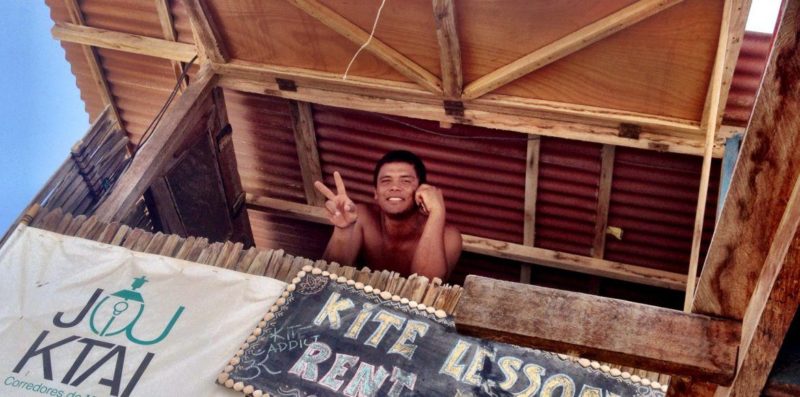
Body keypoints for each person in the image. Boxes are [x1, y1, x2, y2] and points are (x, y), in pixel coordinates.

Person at [314, 150, 462, 280]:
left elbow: (427, 285)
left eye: (405, 181)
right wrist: (343, 230)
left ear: (421, 191)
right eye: (386, 181)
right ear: (376, 193)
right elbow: (327, 276)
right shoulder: (361, 217)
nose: (394, 187)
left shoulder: (449, 236)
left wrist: (437, 212)